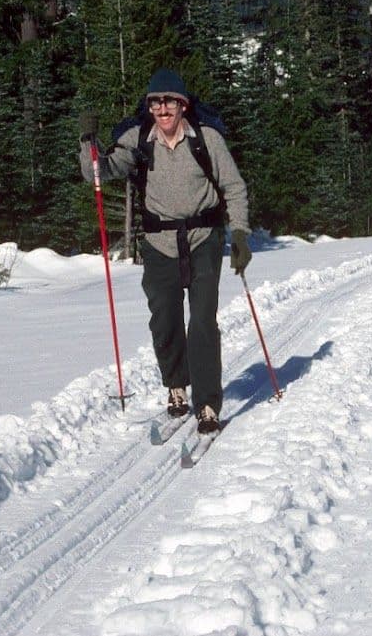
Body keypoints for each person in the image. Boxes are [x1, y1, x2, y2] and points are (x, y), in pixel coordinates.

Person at [79, 69, 251, 435]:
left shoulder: (206, 139)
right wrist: (87, 142)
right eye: (156, 102)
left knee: (202, 321)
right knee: (165, 320)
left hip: (203, 237)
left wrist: (239, 234)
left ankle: (207, 404)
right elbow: (100, 172)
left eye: (170, 101)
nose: (162, 109)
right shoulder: (138, 139)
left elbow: (234, 187)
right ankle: (176, 385)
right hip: (159, 243)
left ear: (183, 105)